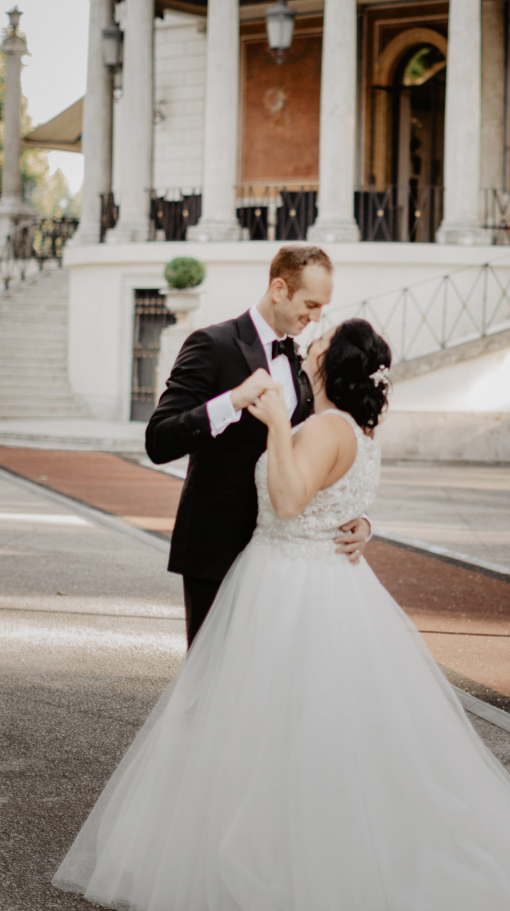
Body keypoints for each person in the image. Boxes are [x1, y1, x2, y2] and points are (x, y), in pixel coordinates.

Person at [54, 319, 510, 911]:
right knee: (310, 742)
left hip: (289, 589)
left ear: (326, 369)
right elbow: (342, 497)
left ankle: (289, 894)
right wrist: (359, 520)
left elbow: (285, 499)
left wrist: (278, 422)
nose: (304, 350)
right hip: (322, 585)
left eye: (314, 349)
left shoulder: (319, 428)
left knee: (279, 740)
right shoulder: (357, 430)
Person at [145, 244, 371, 643]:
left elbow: (320, 454)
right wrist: (232, 401)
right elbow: (159, 440)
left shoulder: (303, 362)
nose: (317, 317)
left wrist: (357, 519)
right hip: (218, 549)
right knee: (211, 676)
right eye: (311, 304)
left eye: (323, 307)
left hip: (283, 558)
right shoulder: (211, 345)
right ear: (279, 289)